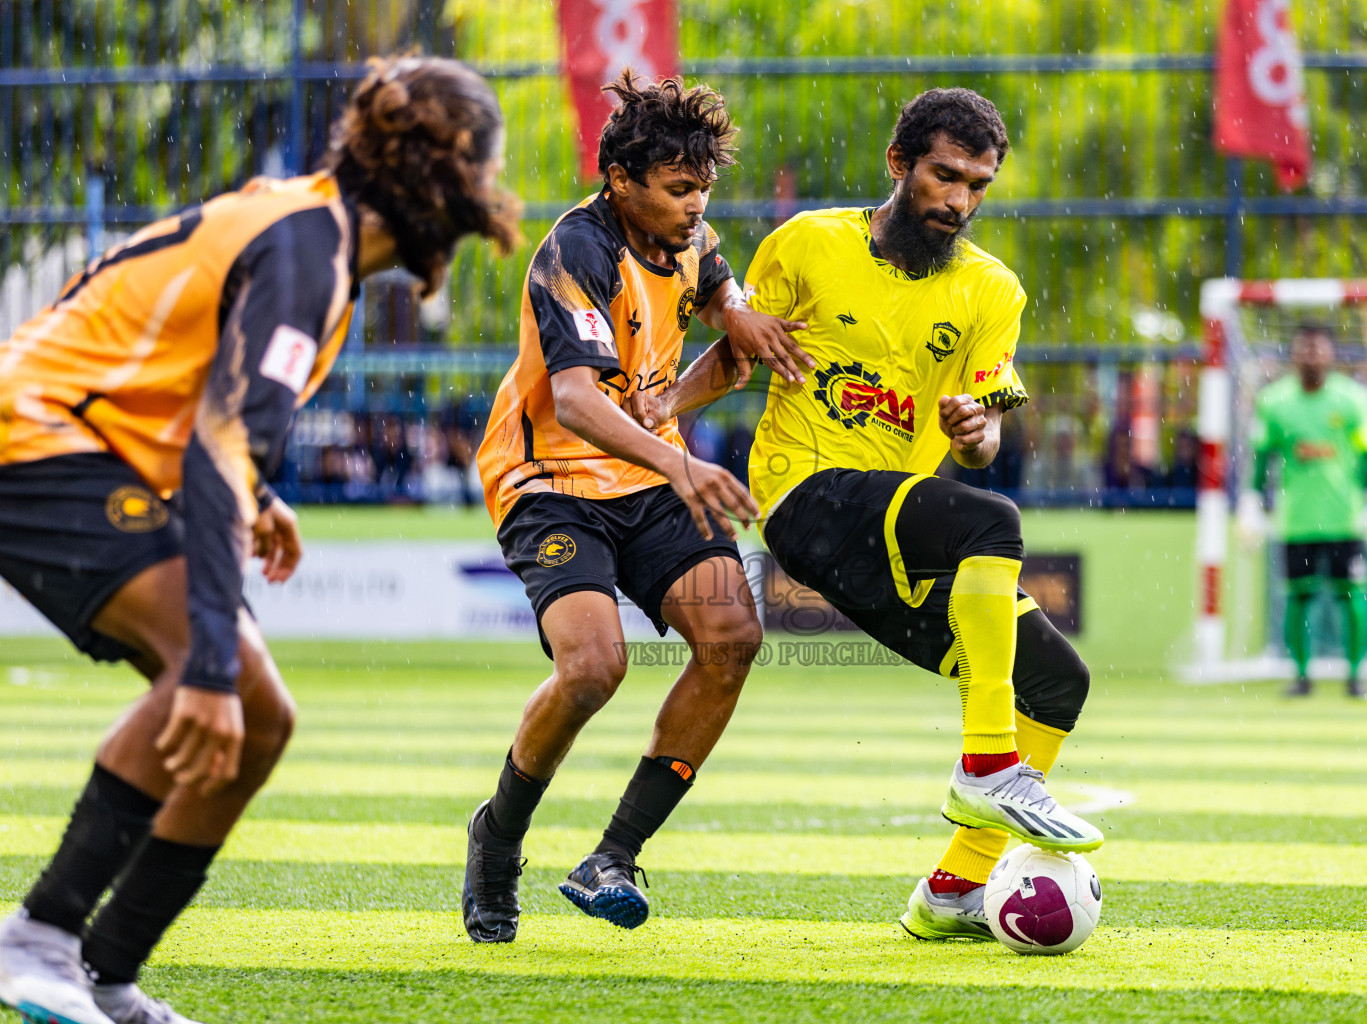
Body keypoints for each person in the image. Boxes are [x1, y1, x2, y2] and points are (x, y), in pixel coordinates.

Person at [0, 54, 518, 1024]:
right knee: (225, 680)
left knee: (263, 717)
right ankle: (39, 935)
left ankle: (104, 976)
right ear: (438, 170)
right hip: (34, 442)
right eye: (484, 172)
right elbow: (216, 443)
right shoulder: (307, 250)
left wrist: (258, 489)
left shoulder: (313, 235)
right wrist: (200, 664)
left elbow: (205, 406)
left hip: (85, 445)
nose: (490, 198)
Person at [625, 87, 1101, 945]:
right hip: (803, 495)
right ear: (899, 164)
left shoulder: (994, 291)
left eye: (978, 185)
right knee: (991, 524)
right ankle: (988, 765)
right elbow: (739, 353)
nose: (958, 200)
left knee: (1059, 680)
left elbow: (985, 434)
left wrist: (976, 429)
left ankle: (951, 891)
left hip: (890, 530)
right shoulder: (808, 243)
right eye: (944, 176)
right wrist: (663, 414)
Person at [465, 70, 803, 941]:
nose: (696, 207)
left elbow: (726, 326)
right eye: (680, 189)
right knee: (592, 669)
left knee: (732, 640)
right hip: (551, 484)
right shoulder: (575, 249)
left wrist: (715, 355)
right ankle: (497, 839)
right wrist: (680, 461)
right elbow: (576, 399)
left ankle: (613, 855)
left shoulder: (697, 243)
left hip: (649, 476)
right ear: (622, 180)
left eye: (703, 189)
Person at [1237, 322, 1367, 699]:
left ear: (1330, 354)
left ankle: (1356, 676)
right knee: (1299, 598)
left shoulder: (1352, 399)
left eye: (1318, 348)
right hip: (1297, 522)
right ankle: (1302, 676)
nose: (1311, 355)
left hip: (1345, 519)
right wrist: (1250, 508)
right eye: (1304, 348)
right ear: (1294, 355)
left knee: (1353, 596)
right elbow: (1260, 462)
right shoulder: (1274, 402)